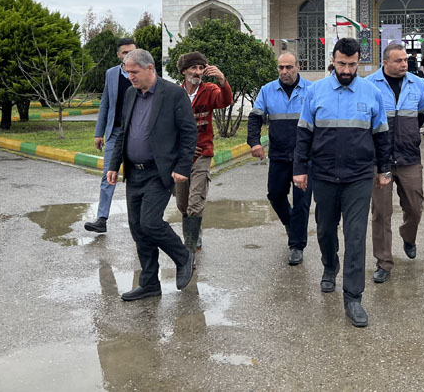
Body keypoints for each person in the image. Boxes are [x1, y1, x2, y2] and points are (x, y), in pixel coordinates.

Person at [294, 37, 393, 328]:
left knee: (355, 235)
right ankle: (329, 265)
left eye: (351, 64)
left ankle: (353, 297)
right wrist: (299, 169)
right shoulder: (315, 92)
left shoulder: (372, 92)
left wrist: (385, 169)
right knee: (325, 230)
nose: (346, 69)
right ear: (333, 61)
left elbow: (382, 135)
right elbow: (304, 134)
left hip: (359, 177)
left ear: (359, 62)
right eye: (341, 64)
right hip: (323, 175)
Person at [106, 49, 196, 300]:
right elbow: (124, 132)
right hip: (135, 172)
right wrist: (114, 165)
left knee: (150, 222)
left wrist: (182, 167)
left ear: (150, 69)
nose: (130, 77)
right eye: (127, 72)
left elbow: (189, 134)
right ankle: (149, 283)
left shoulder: (174, 94)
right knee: (137, 227)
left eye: (134, 72)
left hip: (159, 171)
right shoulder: (130, 94)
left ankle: (183, 256)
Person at [368, 43, 424, 284]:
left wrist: (410, 136)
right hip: (379, 159)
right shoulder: (369, 85)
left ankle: (408, 235)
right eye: (399, 61)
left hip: (409, 156)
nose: (405, 64)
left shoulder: (418, 84)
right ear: (385, 62)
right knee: (381, 213)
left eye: (405, 60)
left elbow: (422, 113)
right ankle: (383, 261)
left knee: (415, 207)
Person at [246, 52, 312, 265]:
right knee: (275, 195)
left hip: (304, 156)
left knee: (302, 202)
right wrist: (254, 142)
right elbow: (255, 117)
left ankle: (296, 245)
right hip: (279, 155)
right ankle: (292, 225)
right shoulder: (267, 90)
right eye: (281, 67)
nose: (284, 71)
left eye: (289, 67)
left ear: (298, 67)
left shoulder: (312, 90)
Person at [175, 51, 233, 263]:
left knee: (195, 201)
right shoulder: (175, 93)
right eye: (193, 68)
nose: (198, 72)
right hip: (181, 156)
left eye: (201, 68)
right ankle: (192, 234)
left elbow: (225, 100)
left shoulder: (209, 90)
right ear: (184, 71)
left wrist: (222, 80)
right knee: (182, 203)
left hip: (202, 154)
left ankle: (189, 249)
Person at [85, 37, 137, 234]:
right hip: (115, 133)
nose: (129, 55)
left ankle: (138, 219)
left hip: (138, 133)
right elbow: (105, 103)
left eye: (132, 51)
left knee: (137, 176)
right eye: (125, 53)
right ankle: (102, 218)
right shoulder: (111, 74)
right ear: (119, 55)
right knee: (108, 174)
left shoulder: (146, 71)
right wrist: (99, 133)